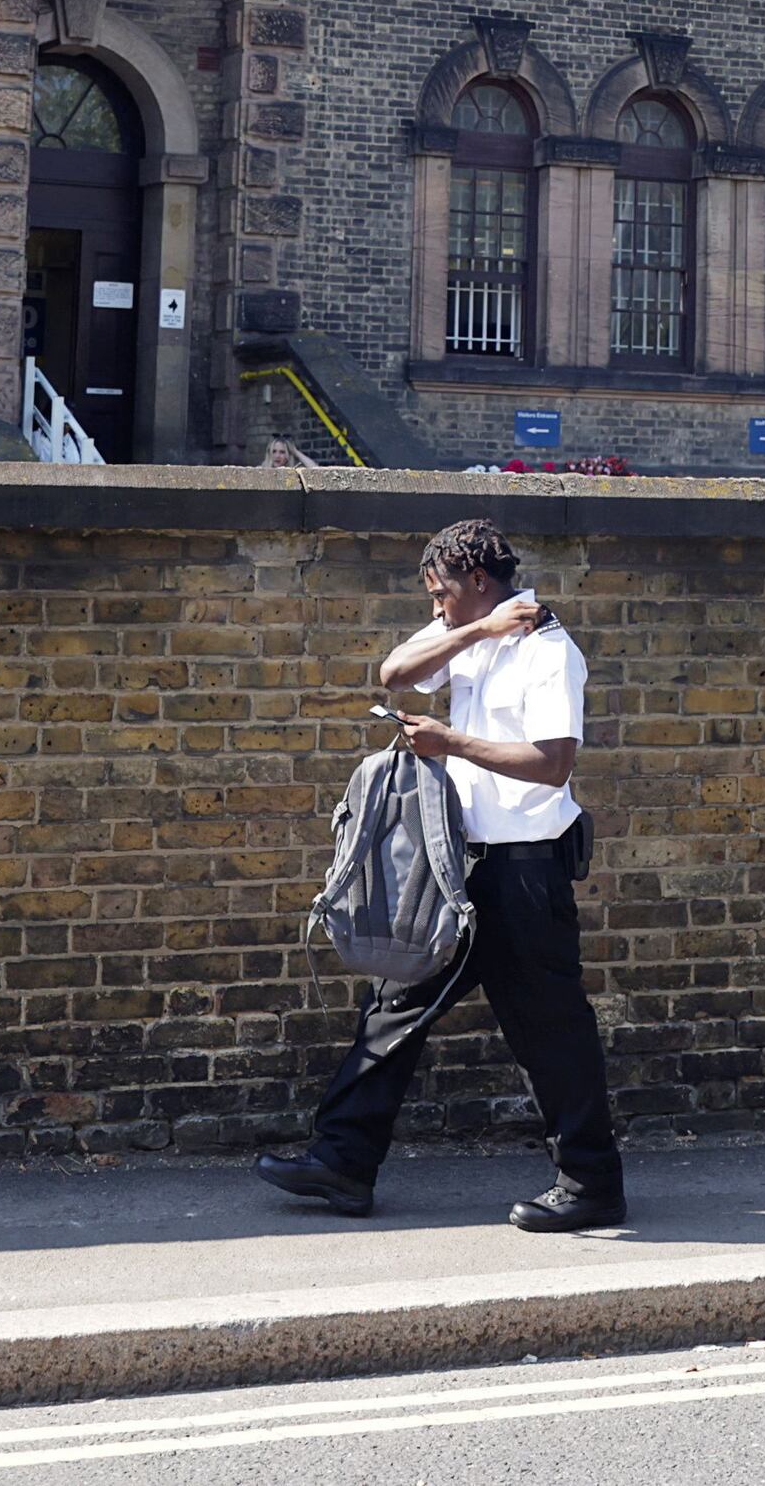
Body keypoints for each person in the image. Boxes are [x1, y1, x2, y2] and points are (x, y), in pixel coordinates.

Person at [254, 517, 624, 1231]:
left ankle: (593, 1182)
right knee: (396, 1004)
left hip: (525, 872)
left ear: (479, 581)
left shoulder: (551, 653)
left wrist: (451, 739)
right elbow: (395, 672)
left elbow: (553, 764)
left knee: (551, 1030)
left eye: (443, 594)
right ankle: (342, 1161)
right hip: (463, 864)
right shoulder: (479, 642)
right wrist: (476, 633)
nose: (435, 608)